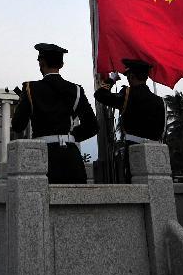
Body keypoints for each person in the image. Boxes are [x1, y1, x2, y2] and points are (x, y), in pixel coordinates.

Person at [10, 43, 99, 183]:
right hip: (71, 157)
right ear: (62, 64)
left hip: (41, 156)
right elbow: (93, 126)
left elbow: (17, 125)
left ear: (41, 63)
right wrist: (72, 136)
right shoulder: (76, 90)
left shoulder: (30, 89)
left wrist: (24, 102)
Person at [94, 58, 166, 183]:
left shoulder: (127, 95)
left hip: (133, 148)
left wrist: (111, 79)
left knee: (133, 182)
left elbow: (100, 95)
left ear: (132, 76)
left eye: (128, 76)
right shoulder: (159, 100)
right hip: (155, 150)